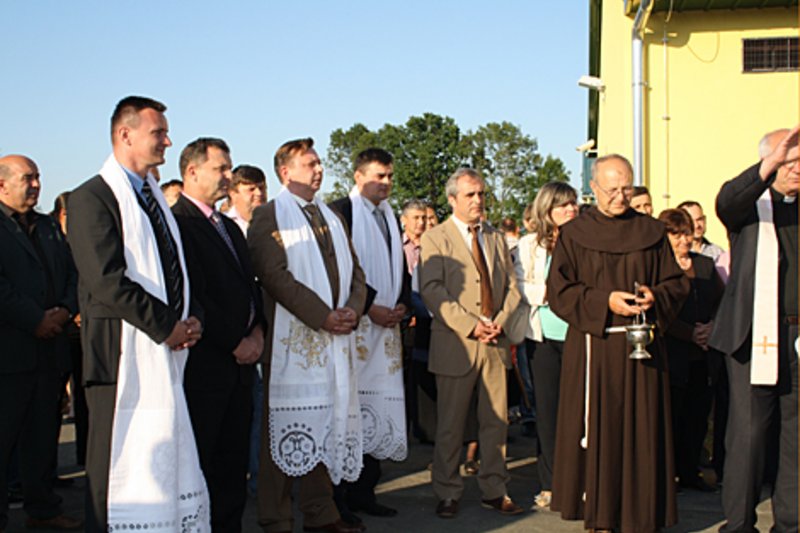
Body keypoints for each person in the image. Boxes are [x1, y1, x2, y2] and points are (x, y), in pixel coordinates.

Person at [67, 96, 208, 532]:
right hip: (119, 357)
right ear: (125, 135)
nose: (168, 141)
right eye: (158, 133)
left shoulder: (153, 197)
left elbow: (175, 268)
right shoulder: (93, 196)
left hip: (161, 346)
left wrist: (192, 315)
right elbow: (106, 280)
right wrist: (168, 326)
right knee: (113, 474)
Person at [547, 154, 689, 533]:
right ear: (593, 189)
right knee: (599, 432)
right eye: (612, 189)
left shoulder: (651, 231)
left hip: (643, 347)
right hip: (596, 346)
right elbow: (559, 292)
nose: (620, 196)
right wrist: (603, 302)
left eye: (626, 188)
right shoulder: (575, 234)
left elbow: (677, 283)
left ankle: (642, 514)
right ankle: (601, 516)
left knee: (642, 429)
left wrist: (656, 296)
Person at [247, 138, 367, 533]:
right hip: (293, 343)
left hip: (337, 337)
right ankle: (276, 518)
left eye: (319, 163)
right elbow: (274, 276)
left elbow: (356, 272)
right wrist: (322, 317)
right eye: (310, 164)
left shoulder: (332, 215)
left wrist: (352, 307)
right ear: (286, 171)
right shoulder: (268, 216)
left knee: (326, 423)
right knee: (283, 432)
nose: (319, 170)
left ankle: (321, 513)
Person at [172, 137, 265, 531]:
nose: (229, 175)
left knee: (232, 466)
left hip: (242, 365)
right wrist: (235, 342)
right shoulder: (179, 224)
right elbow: (195, 296)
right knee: (204, 464)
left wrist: (258, 332)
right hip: (207, 365)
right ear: (192, 172)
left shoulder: (227, 225)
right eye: (221, 169)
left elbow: (249, 286)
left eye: (229, 168)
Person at [420, 168, 523, 519]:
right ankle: (447, 490)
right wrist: (470, 325)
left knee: (496, 423)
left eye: (481, 194)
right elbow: (432, 289)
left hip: (495, 342)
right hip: (456, 343)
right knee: (450, 423)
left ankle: (495, 489)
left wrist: (501, 321)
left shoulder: (494, 237)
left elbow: (511, 287)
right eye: (470, 195)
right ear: (452, 199)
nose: (478, 201)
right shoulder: (435, 238)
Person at [709, 126, 799, 533]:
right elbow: (726, 199)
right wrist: (769, 164)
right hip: (753, 337)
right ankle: (740, 525)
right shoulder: (748, 208)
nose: (796, 169)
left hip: (798, 339)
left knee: (795, 439)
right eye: (789, 160)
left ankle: (790, 522)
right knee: (748, 438)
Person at [0, 155, 81, 531]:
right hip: (11, 352)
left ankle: (43, 508)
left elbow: (72, 274)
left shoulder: (49, 226)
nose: (35, 185)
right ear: (2, 184)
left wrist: (64, 311)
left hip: (51, 351)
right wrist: (35, 320)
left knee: (43, 435)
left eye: (38, 178)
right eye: (27, 178)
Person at [328, 148, 410, 520]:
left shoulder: (391, 217)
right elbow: (342, 269)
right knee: (349, 411)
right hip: (355, 329)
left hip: (387, 330)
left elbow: (402, 269)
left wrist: (402, 303)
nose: (387, 183)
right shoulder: (340, 212)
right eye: (379, 176)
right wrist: (371, 306)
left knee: (379, 408)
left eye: (390, 176)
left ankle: (366, 490)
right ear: (359, 176)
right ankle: (338, 498)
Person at [514, 181, 579, 511]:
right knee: (549, 414)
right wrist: (548, 294)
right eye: (563, 205)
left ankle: (580, 482)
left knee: (580, 414)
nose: (571, 210)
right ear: (546, 211)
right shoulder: (528, 245)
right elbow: (517, 284)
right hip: (543, 337)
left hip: (580, 338)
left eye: (573, 204)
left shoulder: (586, 241)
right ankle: (551, 484)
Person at [658, 208, 724, 492]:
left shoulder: (706, 266)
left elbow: (724, 301)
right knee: (672, 417)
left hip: (702, 355)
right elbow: (660, 311)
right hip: (672, 354)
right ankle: (668, 473)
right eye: (676, 234)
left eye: (686, 233)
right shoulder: (659, 269)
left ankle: (690, 471)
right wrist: (689, 333)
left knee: (697, 416)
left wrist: (711, 328)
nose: (683, 240)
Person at [226, 164, 267, 236]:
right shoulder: (224, 226)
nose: (259, 193)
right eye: (251, 189)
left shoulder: (277, 221)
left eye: (261, 188)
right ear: (233, 194)